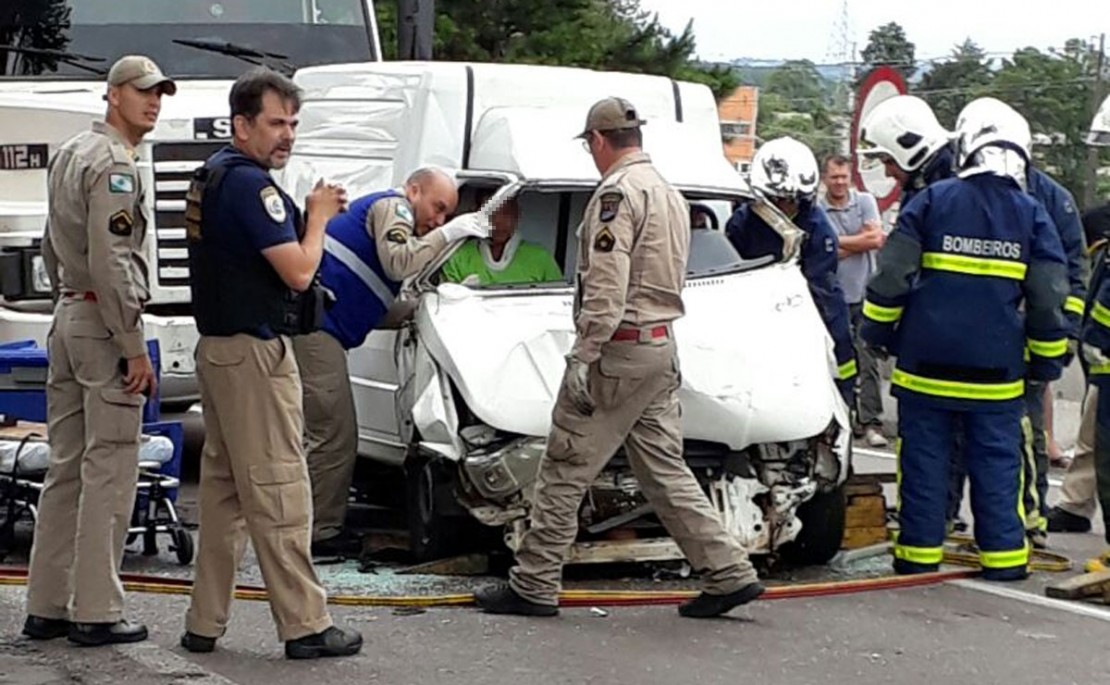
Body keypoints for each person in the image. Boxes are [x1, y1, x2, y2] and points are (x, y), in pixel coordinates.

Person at [474, 97, 763, 618]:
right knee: (664, 471)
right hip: (657, 347)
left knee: (564, 465)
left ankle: (534, 582)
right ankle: (728, 571)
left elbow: (607, 284)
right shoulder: (668, 192)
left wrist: (585, 354)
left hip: (619, 349)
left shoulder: (617, 194)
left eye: (590, 145)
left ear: (599, 141)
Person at [180, 67, 361, 659]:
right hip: (253, 353)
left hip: (223, 351)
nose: (287, 135)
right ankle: (305, 624)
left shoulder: (214, 176)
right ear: (242, 124)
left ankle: (204, 621)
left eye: (293, 123)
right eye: (276, 123)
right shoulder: (249, 187)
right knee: (282, 488)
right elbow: (299, 271)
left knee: (226, 494)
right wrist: (318, 216)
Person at [861, 97, 1070, 581]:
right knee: (998, 469)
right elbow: (1047, 298)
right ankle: (1004, 561)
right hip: (995, 379)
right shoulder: (1031, 214)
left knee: (923, 465)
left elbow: (890, 279)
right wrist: (1045, 363)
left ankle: (917, 556)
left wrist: (877, 334)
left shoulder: (930, 202)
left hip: (924, 372)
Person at [21, 55, 174, 647]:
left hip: (67, 314)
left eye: (158, 93)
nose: (153, 103)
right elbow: (112, 262)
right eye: (142, 93)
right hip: (101, 320)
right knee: (111, 467)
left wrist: (67, 296)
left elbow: (50, 239)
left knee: (66, 467)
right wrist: (133, 346)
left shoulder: (70, 152)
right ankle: (97, 609)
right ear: (113, 96)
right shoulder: (115, 163)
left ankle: (48, 603)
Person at [296, 168, 490, 558]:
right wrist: (450, 234)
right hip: (316, 332)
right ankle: (318, 532)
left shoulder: (392, 213)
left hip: (323, 330)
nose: (438, 220)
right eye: (438, 208)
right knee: (334, 434)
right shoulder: (393, 206)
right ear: (414, 190)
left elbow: (376, 306)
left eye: (447, 216)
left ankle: (311, 525)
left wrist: (431, 305)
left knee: (326, 433)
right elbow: (399, 262)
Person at [726, 137, 857, 406]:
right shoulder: (741, 224)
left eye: (794, 200)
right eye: (779, 200)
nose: (787, 207)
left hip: (801, 314)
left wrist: (843, 387)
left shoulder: (818, 228)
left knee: (840, 334)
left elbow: (823, 292)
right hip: (749, 317)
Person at [1047, 203, 1110, 534]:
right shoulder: (1098, 219)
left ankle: (1075, 504)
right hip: (1101, 351)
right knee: (1092, 428)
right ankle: (1075, 504)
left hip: (1103, 347)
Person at [819, 154, 887, 447]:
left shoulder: (865, 202)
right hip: (831, 298)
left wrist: (836, 243)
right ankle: (840, 415)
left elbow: (876, 240)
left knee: (868, 360)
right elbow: (820, 250)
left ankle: (871, 421)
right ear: (825, 178)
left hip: (864, 294)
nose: (840, 182)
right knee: (835, 361)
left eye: (844, 177)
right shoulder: (818, 209)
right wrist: (856, 242)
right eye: (834, 177)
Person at [441, 190, 562, 286]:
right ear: (478, 215)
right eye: (492, 213)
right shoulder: (457, 256)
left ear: (517, 215)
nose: (499, 221)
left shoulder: (540, 258)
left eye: (506, 213)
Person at [858, 94, 956, 207]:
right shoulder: (919, 189)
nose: (887, 173)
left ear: (911, 150)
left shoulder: (951, 197)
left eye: (889, 162)